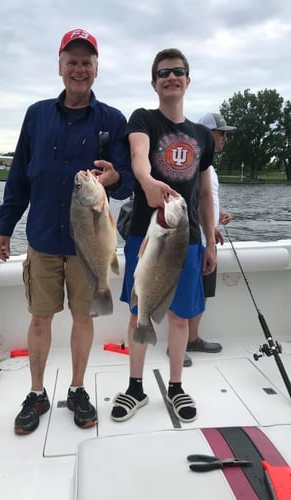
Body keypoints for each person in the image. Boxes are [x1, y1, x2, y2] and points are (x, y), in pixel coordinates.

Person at [0, 28, 134, 435]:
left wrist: (112, 179)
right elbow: (19, 174)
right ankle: (36, 393)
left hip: (89, 244)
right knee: (40, 319)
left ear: (96, 69)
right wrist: (5, 226)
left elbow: (124, 184)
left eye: (87, 62)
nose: (79, 68)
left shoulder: (112, 120)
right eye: (71, 60)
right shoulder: (36, 115)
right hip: (43, 240)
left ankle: (76, 389)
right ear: (59, 66)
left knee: (83, 318)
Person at [111, 48, 216, 424]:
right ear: (154, 83)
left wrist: (208, 240)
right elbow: (139, 156)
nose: (171, 77)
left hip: (187, 240)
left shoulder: (203, 135)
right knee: (139, 312)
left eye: (178, 72)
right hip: (146, 235)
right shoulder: (143, 119)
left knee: (179, 318)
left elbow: (203, 193)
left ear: (188, 80)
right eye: (163, 73)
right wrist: (147, 181)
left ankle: (175, 387)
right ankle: (135, 388)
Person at [184, 113, 236, 363]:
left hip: (208, 243)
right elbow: (188, 202)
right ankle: (178, 344)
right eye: (221, 133)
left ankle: (192, 339)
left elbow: (206, 200)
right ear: (206, 134)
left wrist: (217, 217)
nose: (225, 137)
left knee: (202, 292)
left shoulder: (209, 167)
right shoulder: (194, 164)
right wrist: (207, 228)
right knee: (188, 292)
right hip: (195, 242)